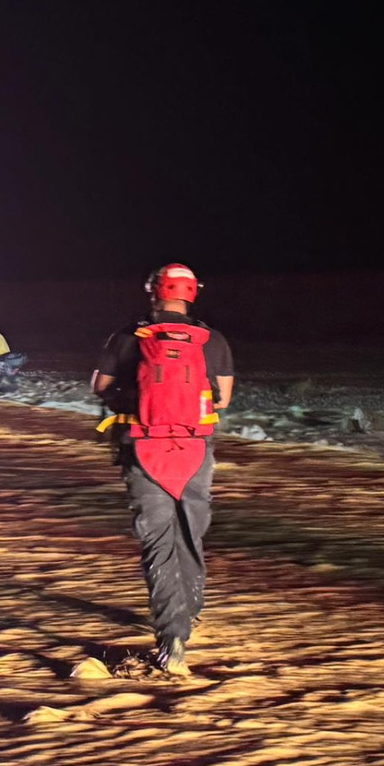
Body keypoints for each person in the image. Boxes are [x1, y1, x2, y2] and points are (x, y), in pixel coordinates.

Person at [92, 264, 234, 676]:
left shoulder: (128, 336)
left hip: (143, 446)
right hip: (194, 449)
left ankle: (172, 636)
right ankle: (189, 612)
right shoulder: (212, 340)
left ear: (153, 292)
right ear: (192, 294)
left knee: (158, 541)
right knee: (189, 533)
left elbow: (100, 387)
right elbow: (222, 399)